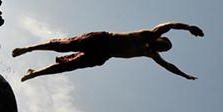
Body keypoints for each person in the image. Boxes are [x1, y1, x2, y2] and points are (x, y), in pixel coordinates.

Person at [12, 22, 204, 82]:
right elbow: (168, 25)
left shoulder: (150, 54)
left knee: (68, 66)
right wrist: (189, 28)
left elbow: (168, 66)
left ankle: (34, 74)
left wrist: (184, 75)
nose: (159, 49)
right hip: (102, 39)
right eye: (161, 45)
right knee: (63, 45)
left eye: (162, 50)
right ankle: (28, 49)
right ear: (158, 39)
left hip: (103, 55)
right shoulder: (147, 35)